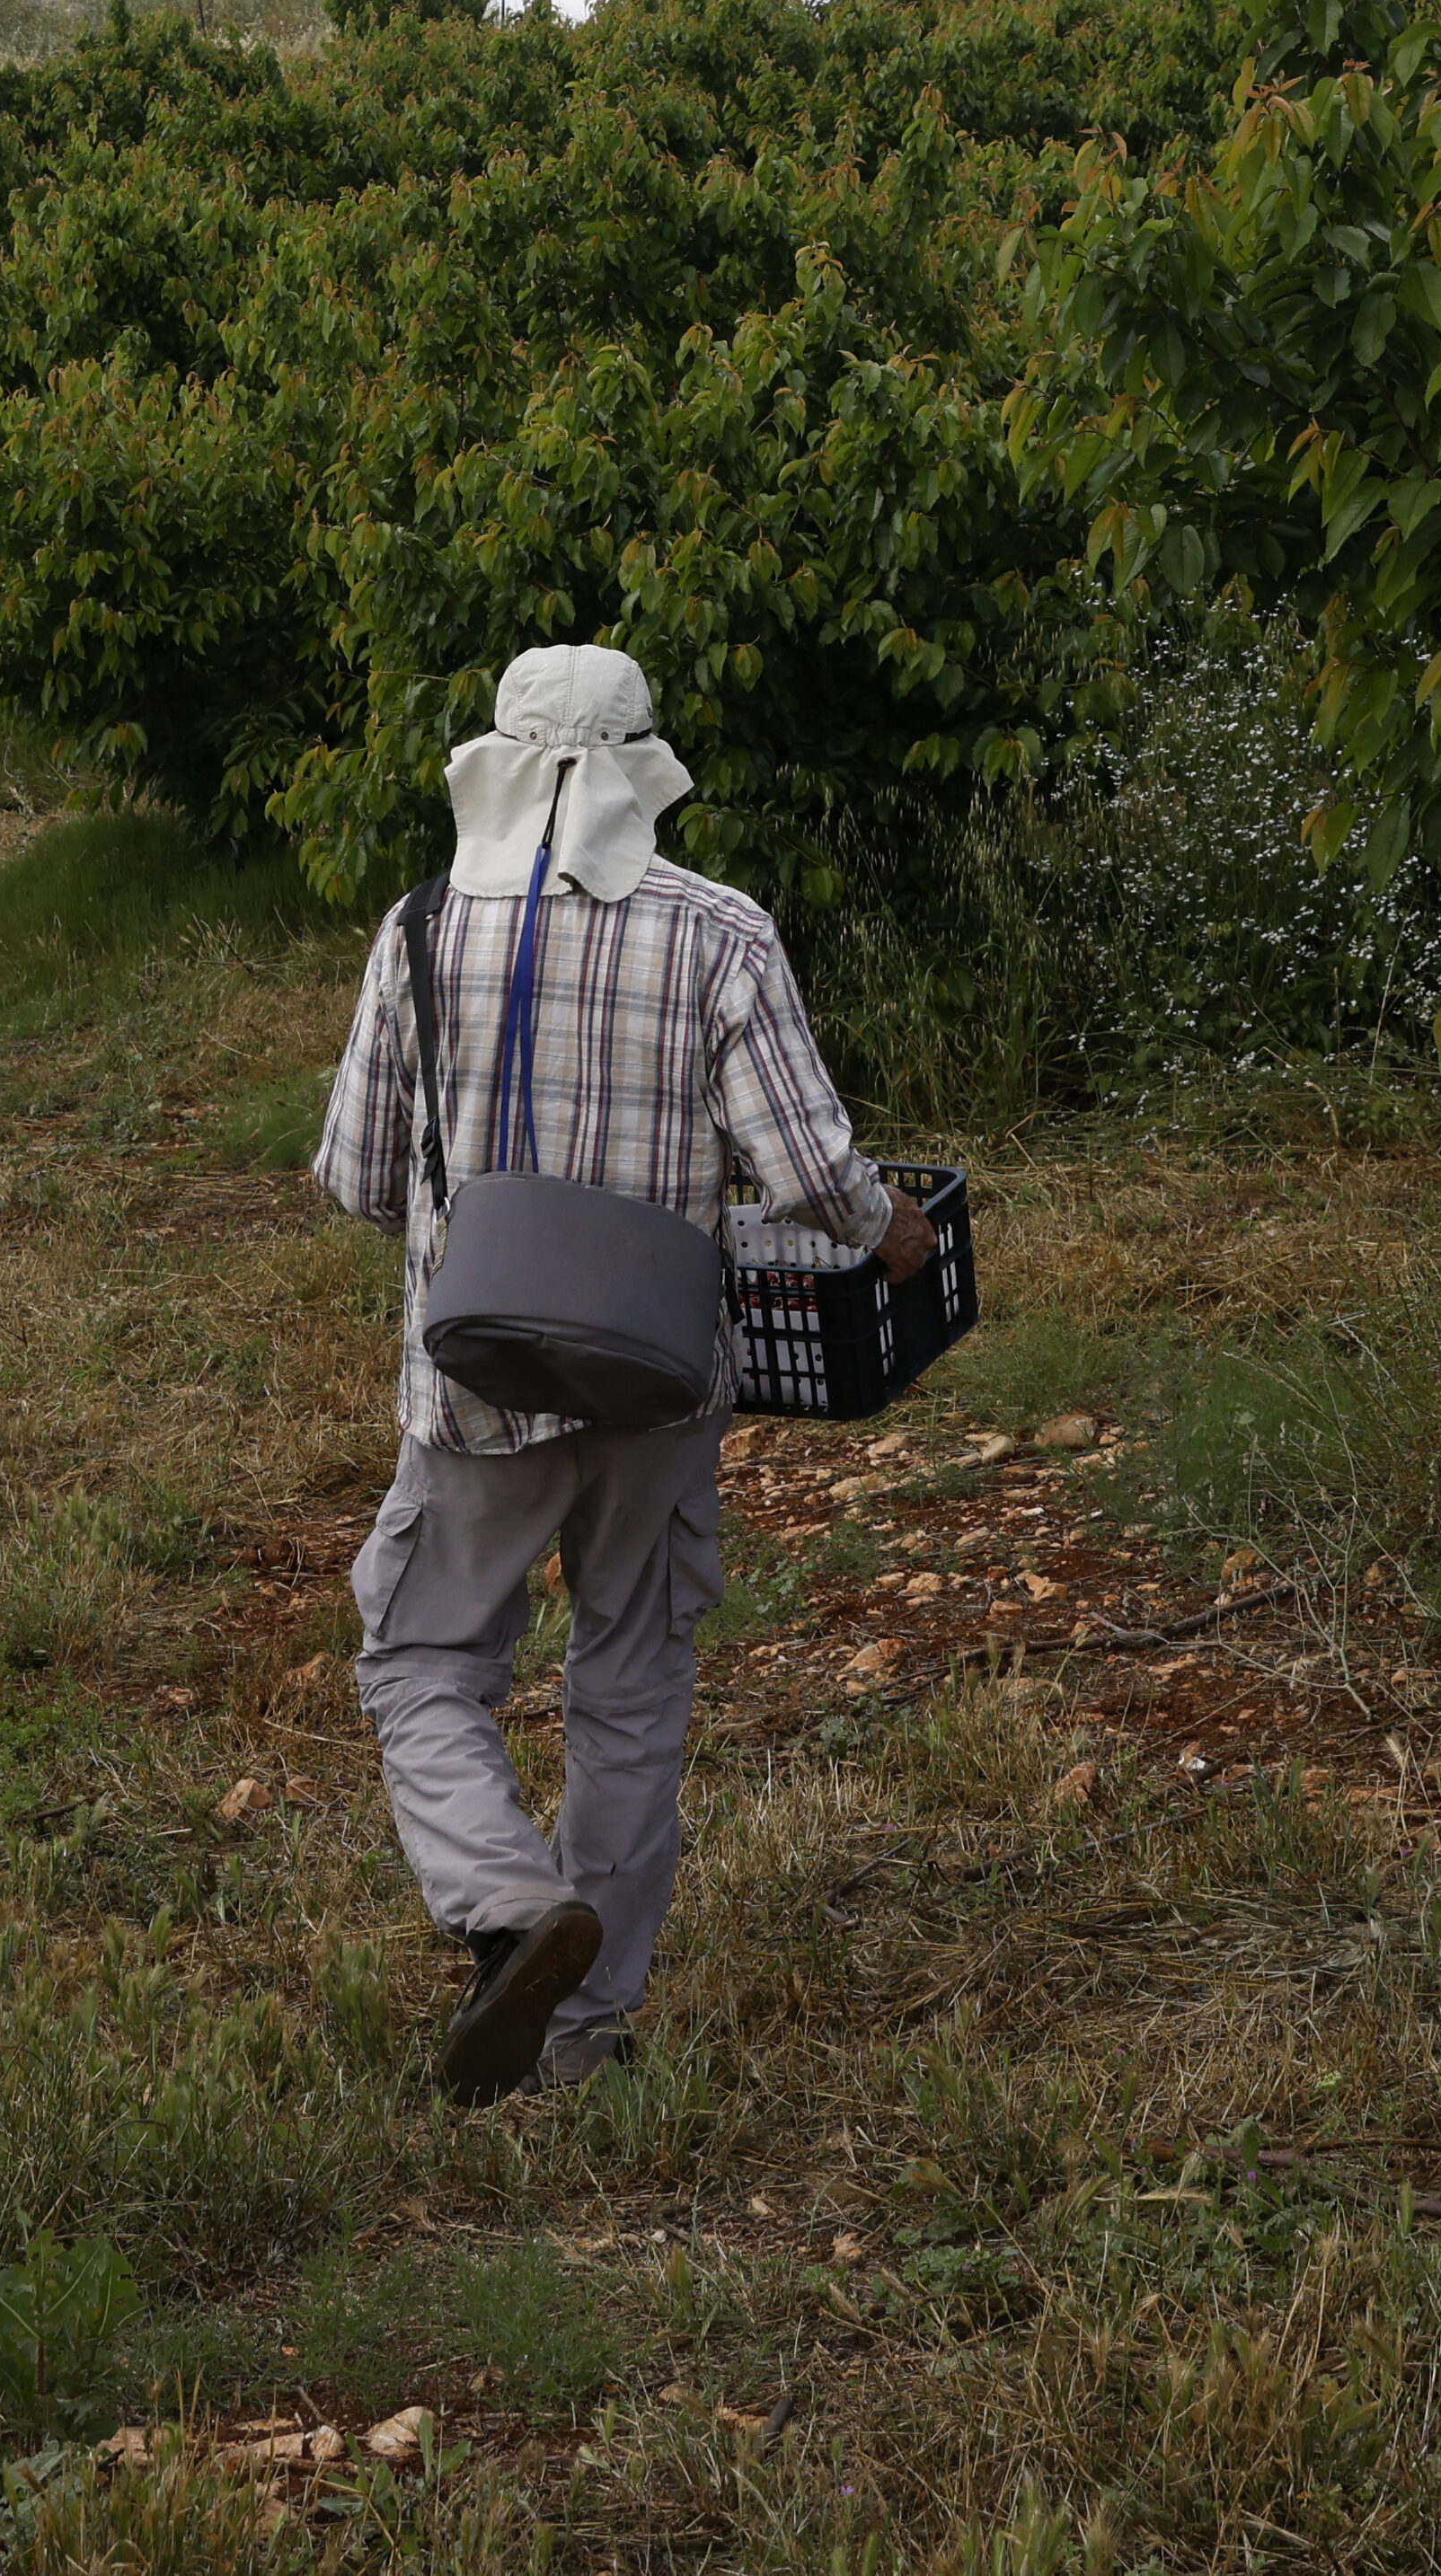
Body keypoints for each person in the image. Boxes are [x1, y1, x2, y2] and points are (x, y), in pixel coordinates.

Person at [310, 643, 925, 2104]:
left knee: (421, 1660)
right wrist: (889, 1227)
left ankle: (514, 1910)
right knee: (634, 1685)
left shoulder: (419, 929)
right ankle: (584, 2039)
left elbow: (357, 1180)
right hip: (660, 1376)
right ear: (644, 766)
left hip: (475, 1388)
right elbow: (805, 1169)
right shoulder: (719, 931)